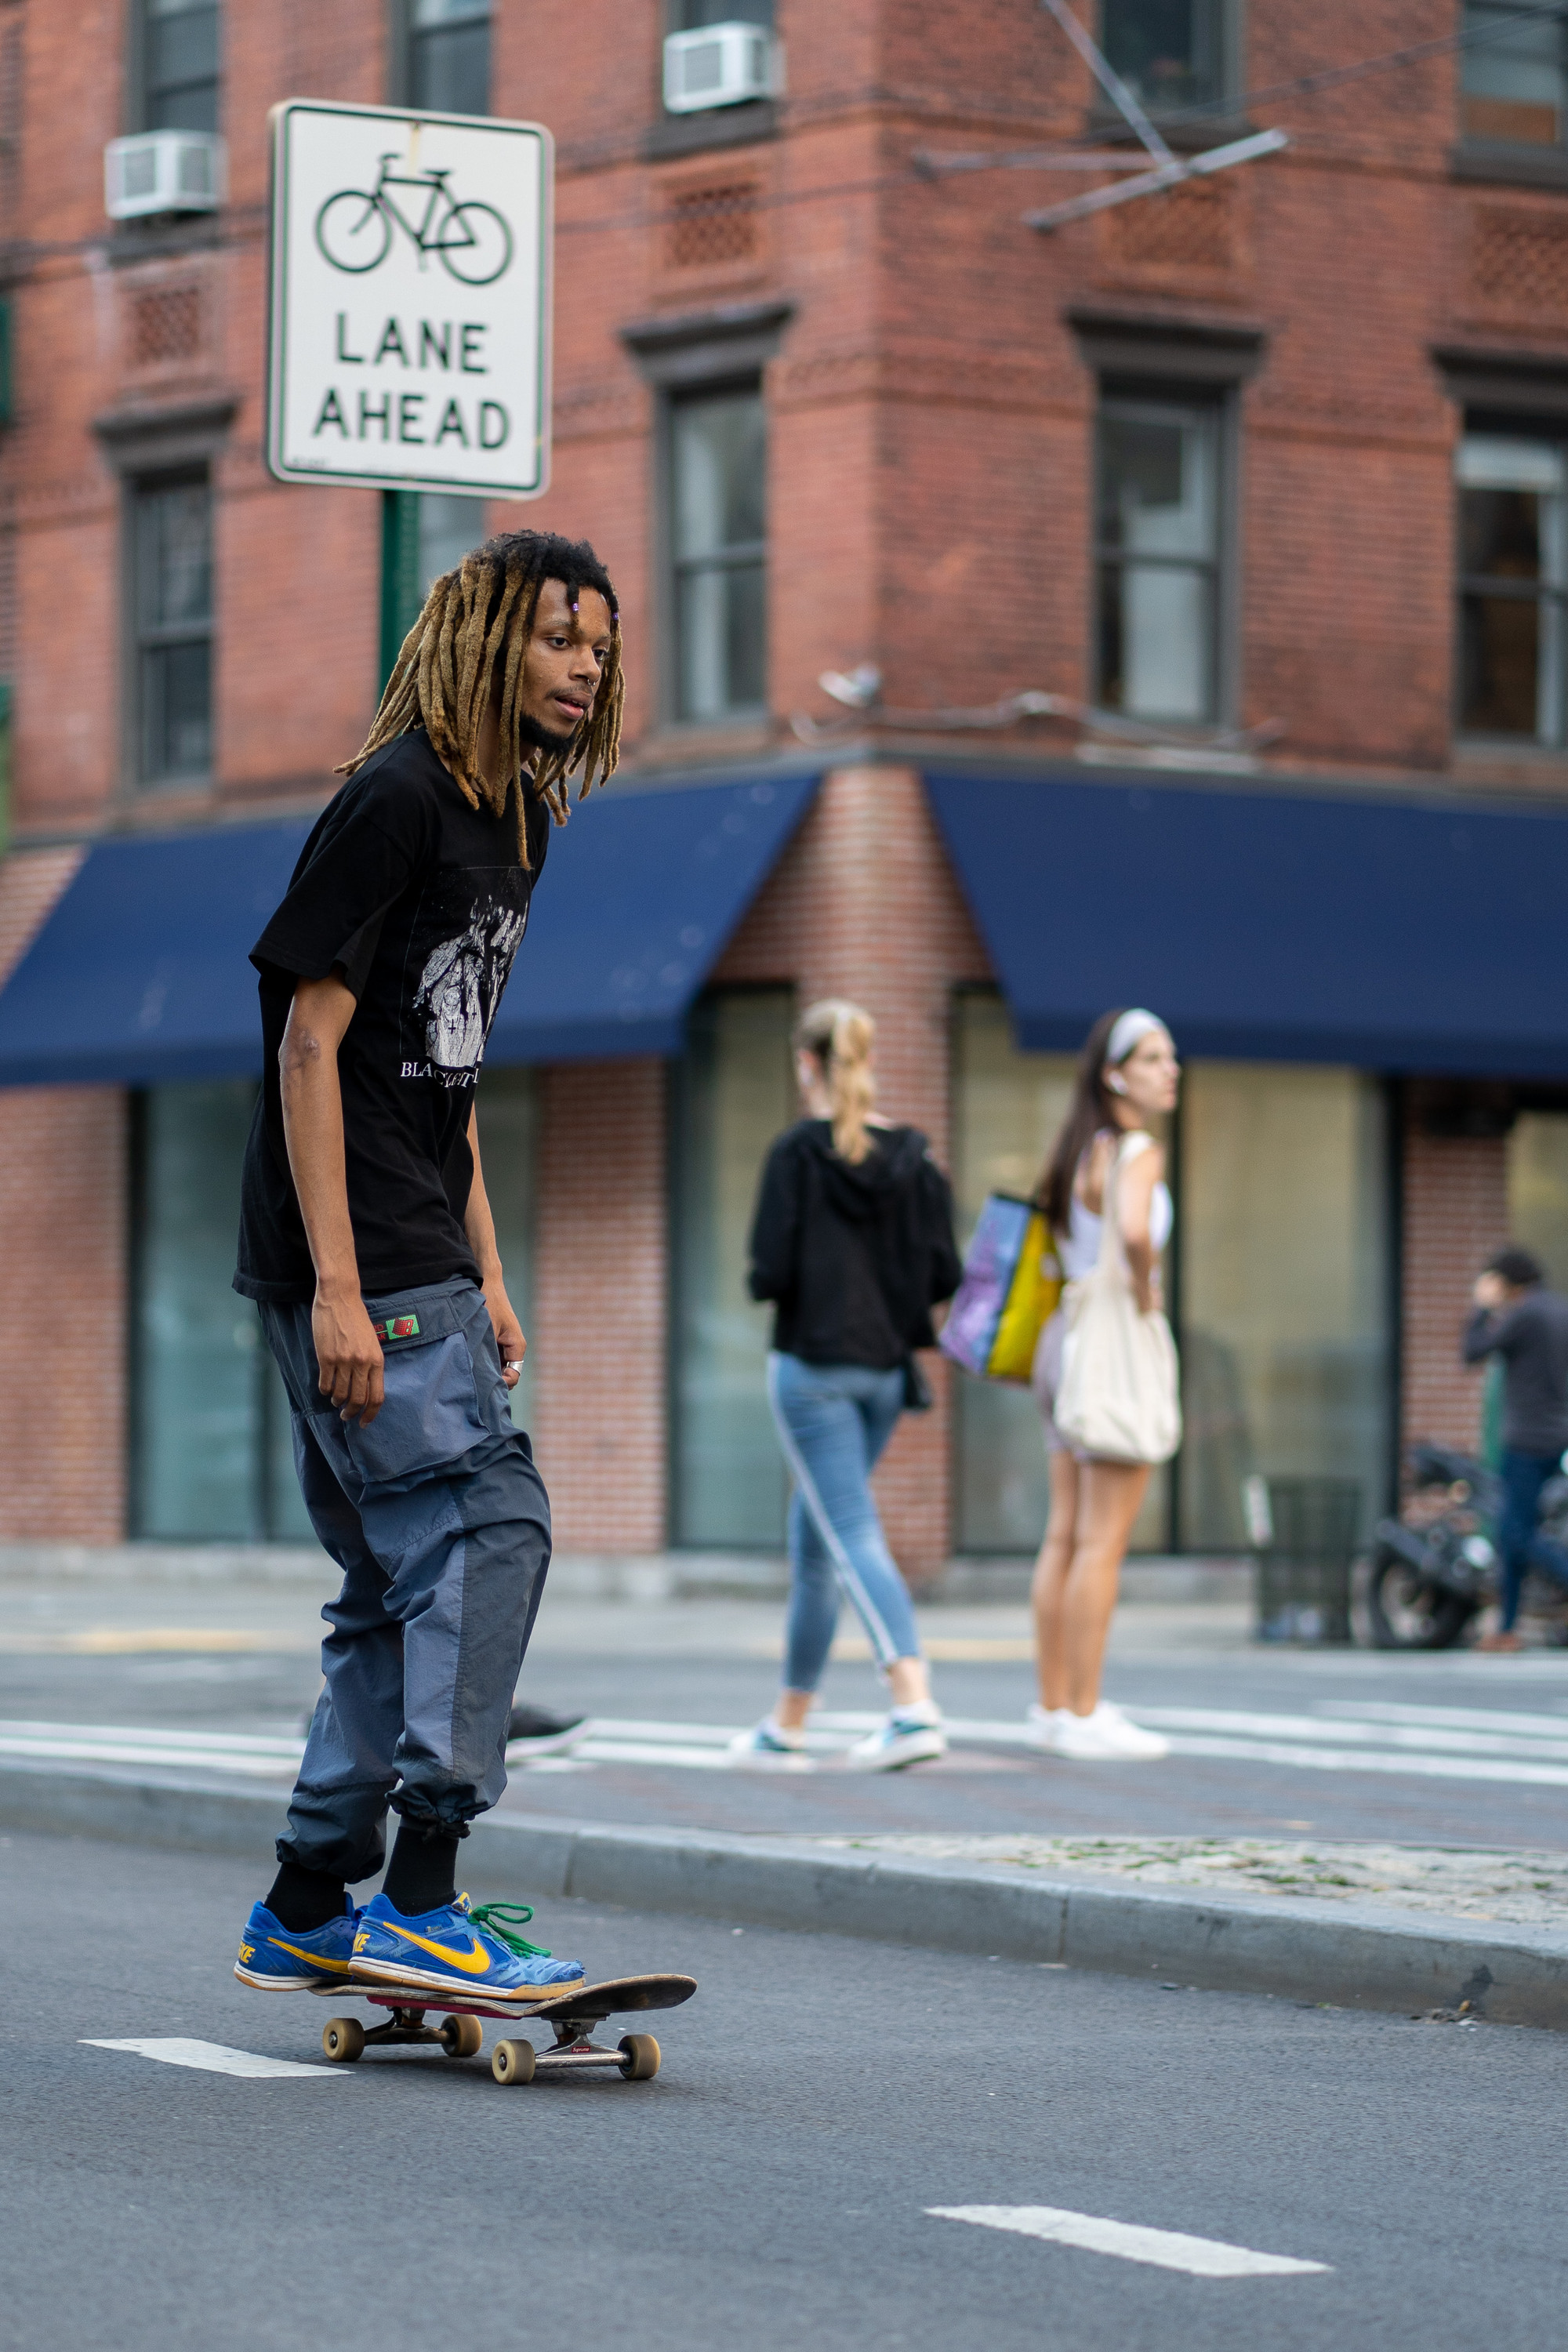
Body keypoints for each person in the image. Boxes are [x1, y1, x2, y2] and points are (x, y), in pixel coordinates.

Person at [230, 529, 623, 2002]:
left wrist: (492, 1268)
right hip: (356, 1253)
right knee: (490, 1527)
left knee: (394, 1584)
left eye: (599, 645)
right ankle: (421, 1896)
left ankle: (304, 1900)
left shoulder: (516, 818)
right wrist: (338, 1287)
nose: (584, 667)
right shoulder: (396, 796)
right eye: (557, 638)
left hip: (415, 1243)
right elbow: (310, 1044)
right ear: (486, 640)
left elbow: (441, 1070)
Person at [731, 1000, 963, 1769]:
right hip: (886, 1375)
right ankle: (787, 1725)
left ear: (807, 1063)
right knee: (817, 1540)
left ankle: (912, 1706)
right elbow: (945, 1273)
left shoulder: (797, 1151)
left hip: (813, 1372)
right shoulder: (917, 1159)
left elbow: (767, 1271)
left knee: (849, 1532)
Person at [1025, 1008, 1178, 1760]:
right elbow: (1137, 1234)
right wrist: (1147, 1290)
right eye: (1152, 1058)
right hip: (1110, 1349)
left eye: (1169, 1057)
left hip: (1063, 1342)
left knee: (1064, 1534)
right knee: (1102, 1542)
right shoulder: (1138, 1151)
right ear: (1115, 1075)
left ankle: (1055, 1705)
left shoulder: (1078, 1149)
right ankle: (1085, 1714)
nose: (1170, 1070)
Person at [1461, 1245, 1568, 1652]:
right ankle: (1506, 1628)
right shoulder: (1559, 1310)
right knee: (1520, 1537)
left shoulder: (1526, 1315)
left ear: (1507, 1282)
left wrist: (1481, 1308)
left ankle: (1508, 1626)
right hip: (1559, 1436)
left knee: (1514, 1532)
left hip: (1527, 1441)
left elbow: (1473, 1350)